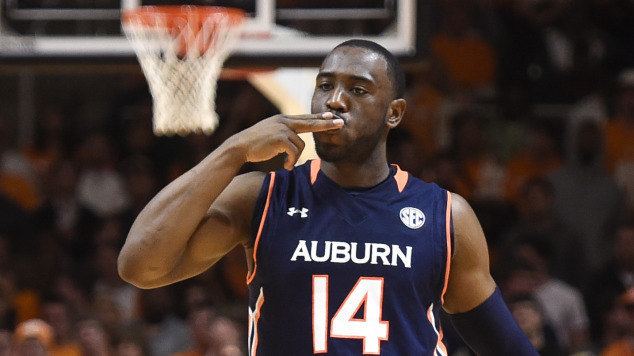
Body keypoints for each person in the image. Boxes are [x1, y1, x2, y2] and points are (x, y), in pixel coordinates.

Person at [118, 39, 536, 355]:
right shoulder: (263, 198)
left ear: (395, 113)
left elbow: (506, 347)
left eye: (358, 89)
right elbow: (140, 266)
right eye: (325, 85)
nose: (335, 100)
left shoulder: (444, 215)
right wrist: (233, 151)